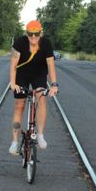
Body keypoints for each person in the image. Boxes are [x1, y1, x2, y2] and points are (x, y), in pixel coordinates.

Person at [9, 20, 59, 155]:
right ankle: (15, 141)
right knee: (19, 105)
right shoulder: (20, 43)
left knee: (41, 98)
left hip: (39, 74)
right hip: (22, 75)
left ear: (40, 33)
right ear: (26, 34)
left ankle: (41, 134)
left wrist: (54, 84)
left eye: (36, 34)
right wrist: (13, 83)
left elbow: (51, 65)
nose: (33, 37)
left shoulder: (46, 44)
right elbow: (13, 65)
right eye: (30, 34)